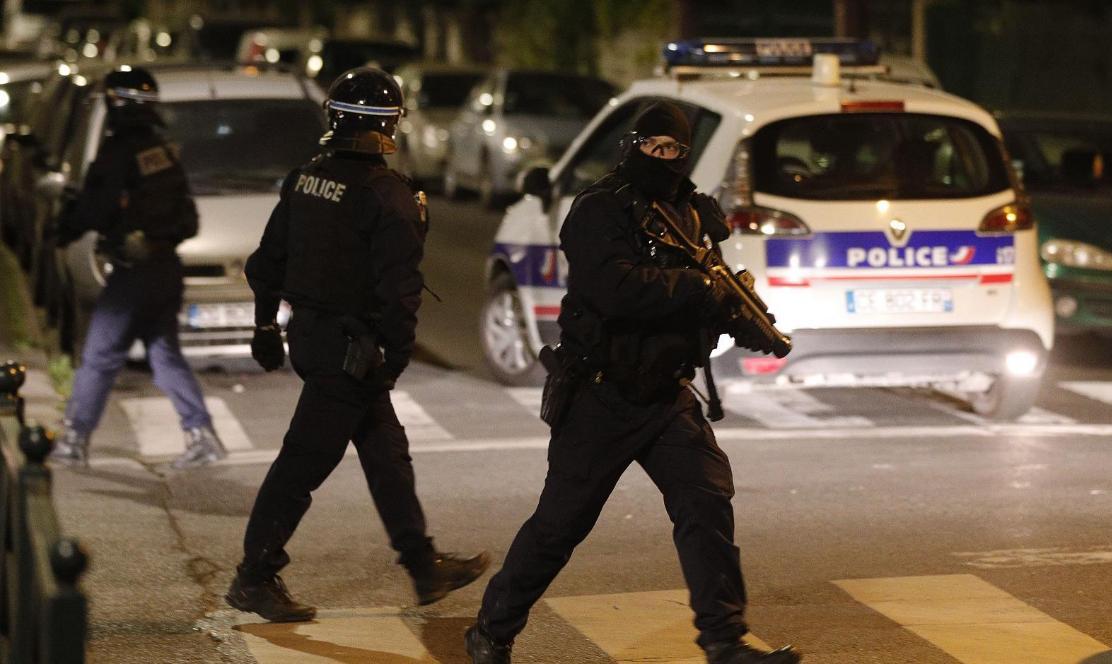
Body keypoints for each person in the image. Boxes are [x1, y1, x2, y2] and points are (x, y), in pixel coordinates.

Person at [464, 102, 801, 664]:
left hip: (667, 395)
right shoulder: (599, 209)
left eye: (675, 150)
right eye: (656, 148)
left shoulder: (689, 213)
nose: (665, 159)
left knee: (707, 503)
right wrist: (698, 291)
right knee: (559, 526)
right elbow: (613, 289)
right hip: (603, 394)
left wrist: (743, 321)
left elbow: (709, 282)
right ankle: (491, 632)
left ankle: (724, 641)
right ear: (634, 147)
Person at [224, 67, 488, 622]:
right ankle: (253, 577)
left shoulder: (305, 180)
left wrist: (266, 327)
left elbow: (265, 264)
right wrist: (394, 357)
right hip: (352, 351)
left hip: (314, 338)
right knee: (303, 464)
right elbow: (400, 292)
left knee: (386, 454)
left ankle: (422, 565)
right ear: (389, 125)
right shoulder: (389, 197)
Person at [50, 65, 226, 471]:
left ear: (115, 104)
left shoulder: (117, 153)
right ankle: (202, 435)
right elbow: (189, 219)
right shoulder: (162, 151)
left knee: (99, 355)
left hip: (134, 273)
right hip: (166, 269)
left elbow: (94, 207)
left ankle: (74, 439)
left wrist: (64, 229)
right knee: (164, 354)